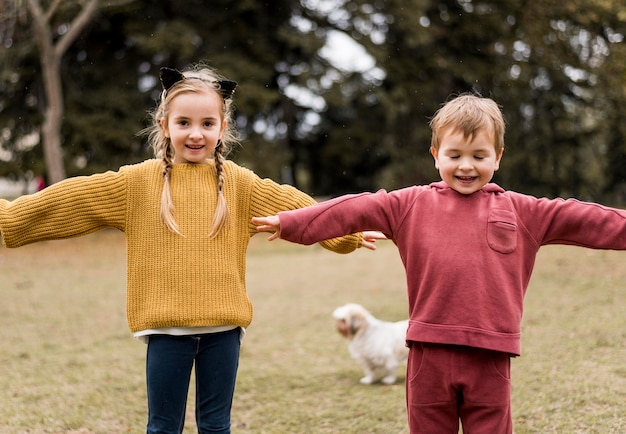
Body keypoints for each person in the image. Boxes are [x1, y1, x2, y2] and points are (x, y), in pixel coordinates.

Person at [0, 64, 383, 434]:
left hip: (224, 331)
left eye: (207, 123)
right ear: (164, 125)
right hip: (166, 331)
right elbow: (73, 199)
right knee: (163, 428)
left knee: (216, 427)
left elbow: (297, 205)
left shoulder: (239, 184)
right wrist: (8, 219)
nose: (195, 133)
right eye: (184, 123)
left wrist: (346, 232)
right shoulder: (136, 184)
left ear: (223, 127)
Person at [252, 93, 626, 433]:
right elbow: (355, 207)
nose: (466, 166)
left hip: (490, 358)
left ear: (498, 156)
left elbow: (585, 218)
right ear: (435, 154)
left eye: (479, 156)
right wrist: (292, 222)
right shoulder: (410, 204)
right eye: (454, 155)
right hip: (428, 354)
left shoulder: (522, 210)